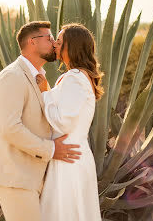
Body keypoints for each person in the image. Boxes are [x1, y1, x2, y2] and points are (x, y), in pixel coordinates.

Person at [0, 21, 81, 221]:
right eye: (49, 38)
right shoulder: (12, 76)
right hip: (15, 176)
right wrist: (52, 150)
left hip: (34, 175)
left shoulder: (39, 77)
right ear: (32, 42)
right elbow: (10, 128)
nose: (54, 43)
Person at [36, 23, 103, 221]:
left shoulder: (74, 78)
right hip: (70, 156)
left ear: (71, 47)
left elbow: (63, 123)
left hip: (69, 159)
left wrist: (45, 93)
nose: (54, 44)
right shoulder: (77, 77)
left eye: (59, 41)